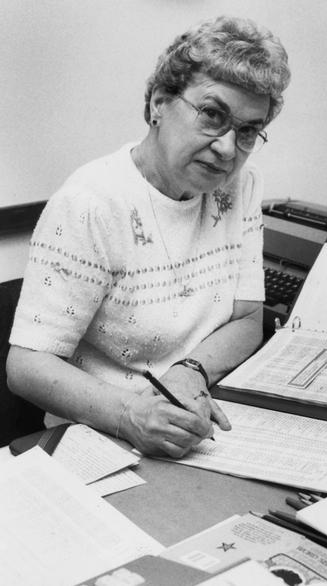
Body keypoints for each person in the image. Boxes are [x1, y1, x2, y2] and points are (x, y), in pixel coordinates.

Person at [7, 15, 290, 458]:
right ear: (159, 102)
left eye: (249, 131)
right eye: (213, 115)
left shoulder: (242, 187)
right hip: (100, 433)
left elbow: (247, 320)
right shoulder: (91, 203)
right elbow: (26, 367)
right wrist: (131, 415)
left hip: (197, 417)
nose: (228, 149)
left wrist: (189, 371)